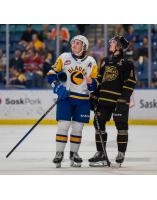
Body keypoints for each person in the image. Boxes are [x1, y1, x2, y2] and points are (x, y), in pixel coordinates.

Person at [47, 35, 98, 168]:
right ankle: (59, 153)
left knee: (78, 128)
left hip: (83, 100)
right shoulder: (64, 57)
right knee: (63, 125)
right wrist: (58, 88)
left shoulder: (91, 61)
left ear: (84, 46)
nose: (73, 45)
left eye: (77, 43)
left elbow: (95, 83)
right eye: (73, 43)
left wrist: (92, 83)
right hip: (66, 98)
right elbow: (50, 74)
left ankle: (74, 154)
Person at [88, 35, 136, 167]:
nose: (110, 44)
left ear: (119, 46)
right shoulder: (105, 60)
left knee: (121, 127)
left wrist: (124, 99)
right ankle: (101, 153)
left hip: (118, 101)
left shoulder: (127, 64)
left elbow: (130, 83)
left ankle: (121, 153)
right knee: (98, 125)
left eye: (113, 42)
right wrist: (94, 95)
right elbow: (99, 80)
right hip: (104, 101)